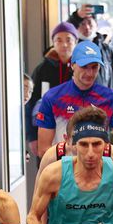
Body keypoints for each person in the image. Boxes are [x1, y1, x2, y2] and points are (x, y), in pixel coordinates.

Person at [35, 40, 113, 157]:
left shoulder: (110, 98)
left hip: (100, 169)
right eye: (84, 67)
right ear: (73, 65)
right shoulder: (52, 97)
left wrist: (110, 165)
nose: (89, 73)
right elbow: (43, 150)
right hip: (64, 168)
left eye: (94, 67)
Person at [25, 21, 77, 157]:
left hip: (76, 132)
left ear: (76, 42)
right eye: (59, 40)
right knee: (49, 172)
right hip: (46, 131)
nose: (64, 44)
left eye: (68, 40)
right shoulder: (42, 70)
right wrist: (32, 136)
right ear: (53, 43)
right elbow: (30, 102)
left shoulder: (82, 69)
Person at [68, 6, 113, 102]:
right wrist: (75, 17)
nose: (87, 27)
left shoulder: (107, 50)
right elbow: (66, 30)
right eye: (82, 23)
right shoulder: (72, 49)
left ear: (96, 24)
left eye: (89, 22)